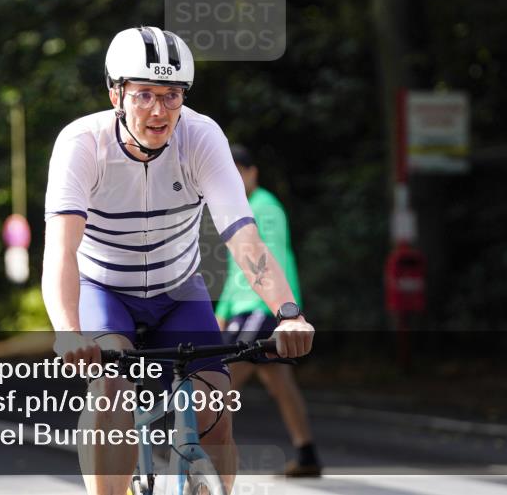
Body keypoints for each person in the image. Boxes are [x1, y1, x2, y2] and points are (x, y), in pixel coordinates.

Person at [43, 26, 314, 495]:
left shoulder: (202, 137)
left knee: (216, 409)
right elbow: (61, 250)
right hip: (104, 289)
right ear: (115, 94)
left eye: (172, 95)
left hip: (178, 291)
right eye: (144, 94)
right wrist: (68, 331)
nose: (159, 110)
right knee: (111, 388)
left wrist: (288, 313)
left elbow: (244, 238)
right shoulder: (82, 144)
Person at [215, 144, 322, 477]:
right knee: (279, 382)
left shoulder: (265, 207)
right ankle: (306, 453)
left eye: (238, 173)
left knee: (220, 376)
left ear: (252, 172)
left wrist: (281, 311)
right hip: (246, 308)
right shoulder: (239, 209)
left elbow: (266, 261)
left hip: (260, 308)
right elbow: (237, 269)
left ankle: (200, 446)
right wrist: (224, 309)